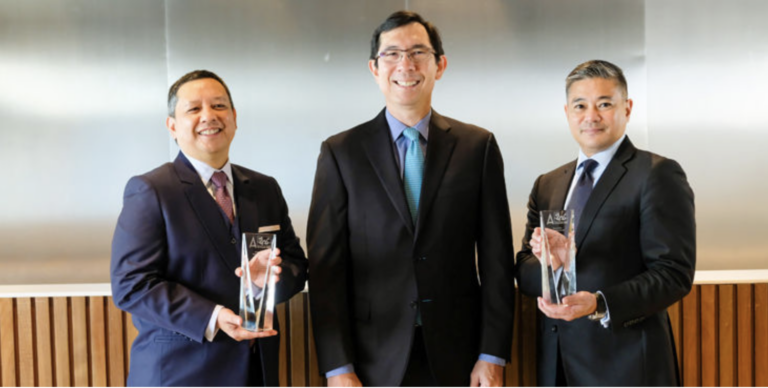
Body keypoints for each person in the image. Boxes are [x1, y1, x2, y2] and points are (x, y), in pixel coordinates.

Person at [307, 10, 515, 387]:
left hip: (460, 354)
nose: (406, 64)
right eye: (392, 54)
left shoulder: (477, 147)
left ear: (440, 65)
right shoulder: (341, 153)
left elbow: (497, 259)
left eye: (419, 52)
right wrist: (338, 367)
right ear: (374, 67)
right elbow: (326, 271)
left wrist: (492, 353)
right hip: (371, 357)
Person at [111, 70, 308, 386]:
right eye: (193, 109)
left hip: (256, 371)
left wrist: (269, 281)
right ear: (172, 126)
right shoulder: (151, 190)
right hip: (180, 374)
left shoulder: (264, 188)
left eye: (219, 106)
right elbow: (132, 284)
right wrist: (214, 316)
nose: (209, 116)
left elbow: (296, 264)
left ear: (234, 118)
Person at [515, 60, 696, 386]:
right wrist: (552, 266)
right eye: (580, 105)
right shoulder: (548, 183)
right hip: (556, 366)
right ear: (567, 112)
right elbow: (524, 267)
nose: (591, 116)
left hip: (625, 366)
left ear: (627, 108)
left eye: (605, 104)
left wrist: (600, 304)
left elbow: (673, 274)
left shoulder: (656, 175)